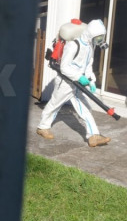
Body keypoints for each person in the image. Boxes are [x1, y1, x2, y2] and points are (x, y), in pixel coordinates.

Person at [36, 19, 111, 147]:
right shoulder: (73, 46)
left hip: (76, 84)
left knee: (85, 108)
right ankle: (42, 127)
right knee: (55, 105)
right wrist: (78, 77)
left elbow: (88, 67)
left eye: (101, 38)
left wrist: (91, 80)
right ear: (91, 34)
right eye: (98, 37)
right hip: (65, 82)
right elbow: (64, 67)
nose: (100, 40)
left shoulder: (90, 47)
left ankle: (93, 136)